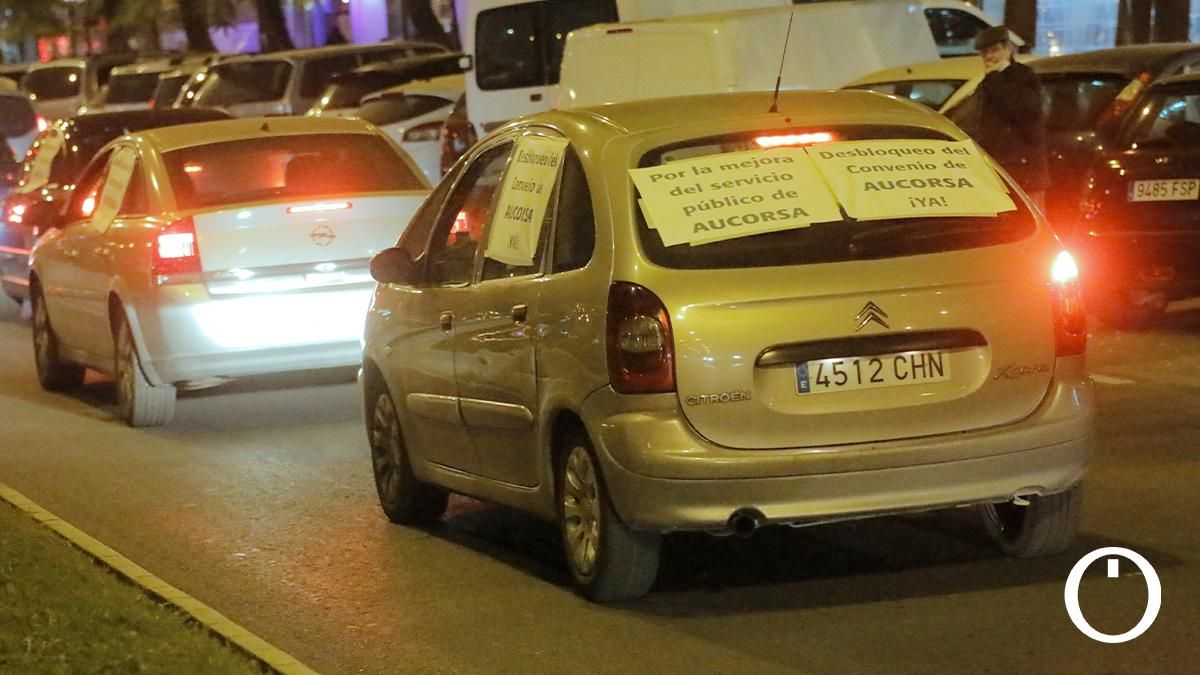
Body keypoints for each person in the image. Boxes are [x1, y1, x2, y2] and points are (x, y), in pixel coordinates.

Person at [973, 25, 1048, 211]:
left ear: (1008, 49)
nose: (989, 57)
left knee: (1032, 221)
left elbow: (1019, 111)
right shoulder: (988, 81)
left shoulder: (1023, 76)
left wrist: (994, 78)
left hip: (1024, 169)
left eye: (994, 50)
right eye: (984, 53)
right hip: (1000, 168)